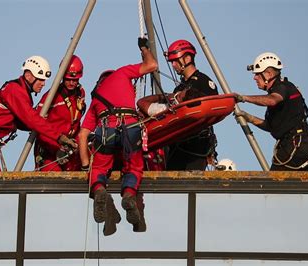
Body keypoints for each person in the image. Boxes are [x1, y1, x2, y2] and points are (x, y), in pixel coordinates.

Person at [78, 37, 158, 235]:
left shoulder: (96, 99)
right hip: (130, 126)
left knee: (100, 168)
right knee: (134, 167)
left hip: (106, 129)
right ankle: (129, 194)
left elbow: (82, 135)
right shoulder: (122, 74)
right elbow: (152, 65)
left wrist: (86, 165)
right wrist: (144, 49)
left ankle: (99, 190)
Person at [0, 55, 77, 172]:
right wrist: (59, 137)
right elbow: (31, 119)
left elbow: (24, 122)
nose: (43, 83)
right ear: (28, 75)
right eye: (40, 79)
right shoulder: (15, 91)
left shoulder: (20, 92)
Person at [234, 52, 308, 171]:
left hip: (294, 144)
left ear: (269, 74)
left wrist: (243, 98)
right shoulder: (281, 90)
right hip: (300, 144)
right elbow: (270, 126)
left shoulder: (282, 87)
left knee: (272, 185)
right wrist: (250, 118)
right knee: (292, 187)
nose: (254, 77)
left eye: (257, 74)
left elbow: (273, 100)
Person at [162, 39, 219, 170]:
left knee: (192, 187)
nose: (173, 65)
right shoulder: (179, 89)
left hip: (197, 147)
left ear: (187, 58)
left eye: (175, 61)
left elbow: (211, 111)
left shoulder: (204, 82)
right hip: (178, 147)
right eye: (172, 62)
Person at [34, 55, 86, 171]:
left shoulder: (80, 94)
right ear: (62, 77)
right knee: (51, 184)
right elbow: (38, 127)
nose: (72, 83)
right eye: (68, 79)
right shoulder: (50, 97)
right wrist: (57, 148)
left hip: (70, 148)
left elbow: (76, 123)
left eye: (75, 79)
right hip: (50, 150)